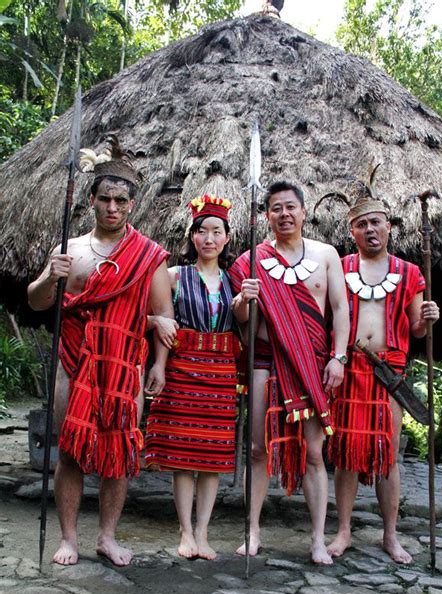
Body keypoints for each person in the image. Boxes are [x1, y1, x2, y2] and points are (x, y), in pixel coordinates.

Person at [27, 139, 173, 567]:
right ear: (90, 200)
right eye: (105, 199)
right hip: (74, 364)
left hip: (126, 365)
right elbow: (37, 302)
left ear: (131, 205)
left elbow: (163, 317)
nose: (112, 207)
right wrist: (48, 281)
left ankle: (107, 536)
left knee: (119, 452)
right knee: (69, 451)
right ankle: (69, 538)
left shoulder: (147, 257)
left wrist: (160, 366)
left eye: (120, 200)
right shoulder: (68, 250)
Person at [229, 180, 350, 564]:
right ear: (266, 216)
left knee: (315, 453)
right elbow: (243, 328)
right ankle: (252, 530)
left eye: (290, 207)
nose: (284, 214)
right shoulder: (250, 260)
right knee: (256, 448)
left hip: (313, 361)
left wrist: (339, 357)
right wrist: (243, 303)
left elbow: (340, 309)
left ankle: (317, 538)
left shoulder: (326, 254)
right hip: (266, 359)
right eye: (276, 208)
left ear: (304, 211)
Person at [144, 194, 259, 560]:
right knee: (182, 455)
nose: (209, 239)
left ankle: (204, 533)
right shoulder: (175, 276)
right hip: (182, 368)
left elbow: (243, 323)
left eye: (216, 232)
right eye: (202, 231)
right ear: (192, 237)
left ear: (227, 238)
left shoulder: (235, 281)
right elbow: (154, 320)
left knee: (212, 457)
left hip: (221, 371)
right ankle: (185, 532)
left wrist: (244, 301)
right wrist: (158, 364)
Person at [327, 196, 440, 564]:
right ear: (352, 231)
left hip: (388, 373)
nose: (370, 230)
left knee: (387, 454)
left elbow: (417, 330)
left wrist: (427, 317)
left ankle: (390, 535)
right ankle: (343, 530)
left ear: (388, 226)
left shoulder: (409, 273)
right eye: (362, 225)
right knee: (345, 453)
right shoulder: (340, 268)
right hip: (350, 365)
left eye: (376, 222)